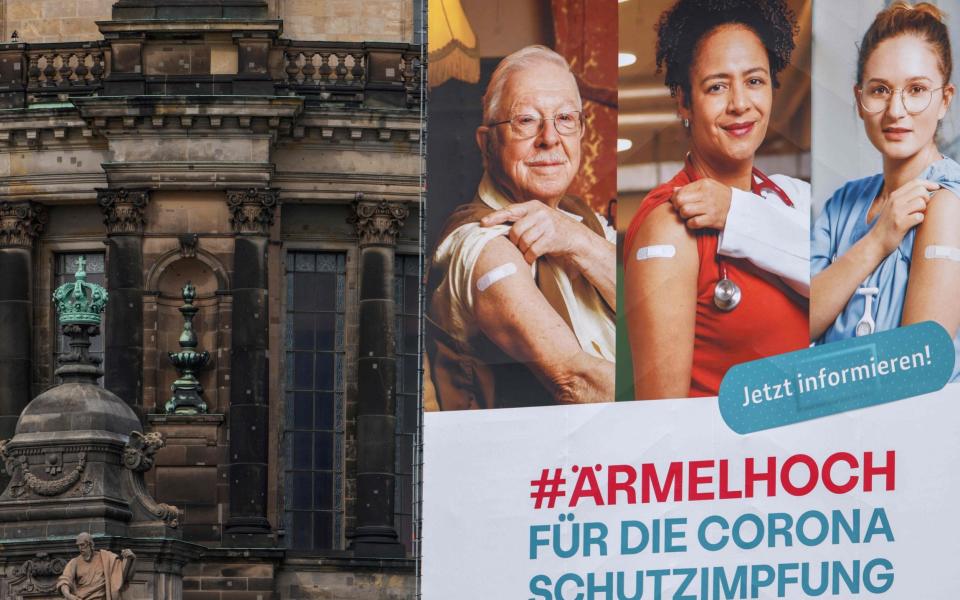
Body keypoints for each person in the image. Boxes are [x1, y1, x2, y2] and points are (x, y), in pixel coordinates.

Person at [623, 0, 810, 399]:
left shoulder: (789, 202)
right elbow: (661, 422)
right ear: (684, 102)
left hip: (804, 459)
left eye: (755, 81)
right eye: (717, 86)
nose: (740, 103)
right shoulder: (672, 226)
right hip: (731, 461)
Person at [425, 45, 615, 410]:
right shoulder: (478, 243)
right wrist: (684, 398)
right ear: (487, 143)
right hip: (536, 464)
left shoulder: (582, 222)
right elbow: (577, 383)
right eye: (526, 120)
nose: (550, 137)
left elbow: (647, 307)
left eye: (565, 118)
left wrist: (578, 240)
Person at [811, 2, 960, 379]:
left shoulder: (947, 205)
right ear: (860, 100)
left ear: (945, 100)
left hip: (914, 435)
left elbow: (918, 370)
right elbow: (799, 323)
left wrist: (816, 374)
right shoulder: (842, 204)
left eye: (916, 89)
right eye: (880, 90)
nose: (896, 110)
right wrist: (878, 241)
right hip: (840, 436)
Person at [58, 532, 136, 600]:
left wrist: (130, 559)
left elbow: (121, 575)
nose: (80, 549)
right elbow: (64, 580)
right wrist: (68, 595)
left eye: (82, 545)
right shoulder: (74, 562)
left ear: (90, 544)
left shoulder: (106, 558)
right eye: (78, 546)